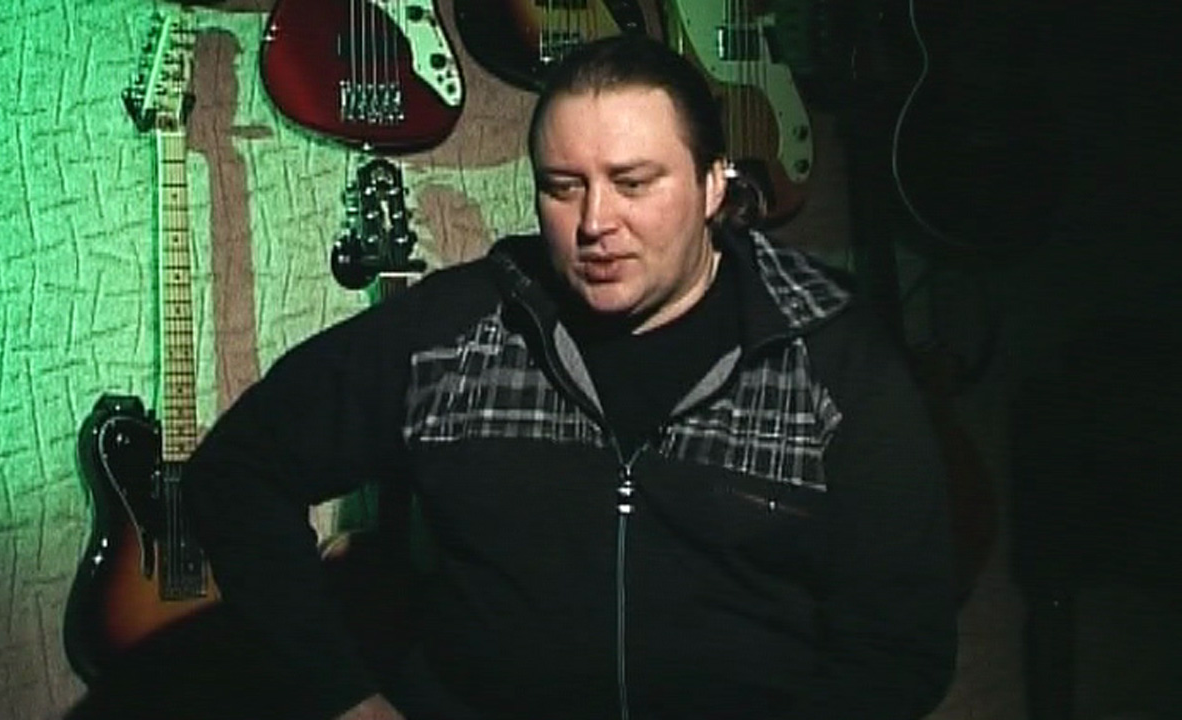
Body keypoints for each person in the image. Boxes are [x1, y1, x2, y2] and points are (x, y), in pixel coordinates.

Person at [67, 34, 956, 720]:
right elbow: (238, 472)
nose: (595, 222)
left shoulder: (830, 357)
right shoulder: (455, 331)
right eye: (563, 186)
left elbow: (901, 647)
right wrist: (341, 693)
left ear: (715, 186)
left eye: (634, 183)